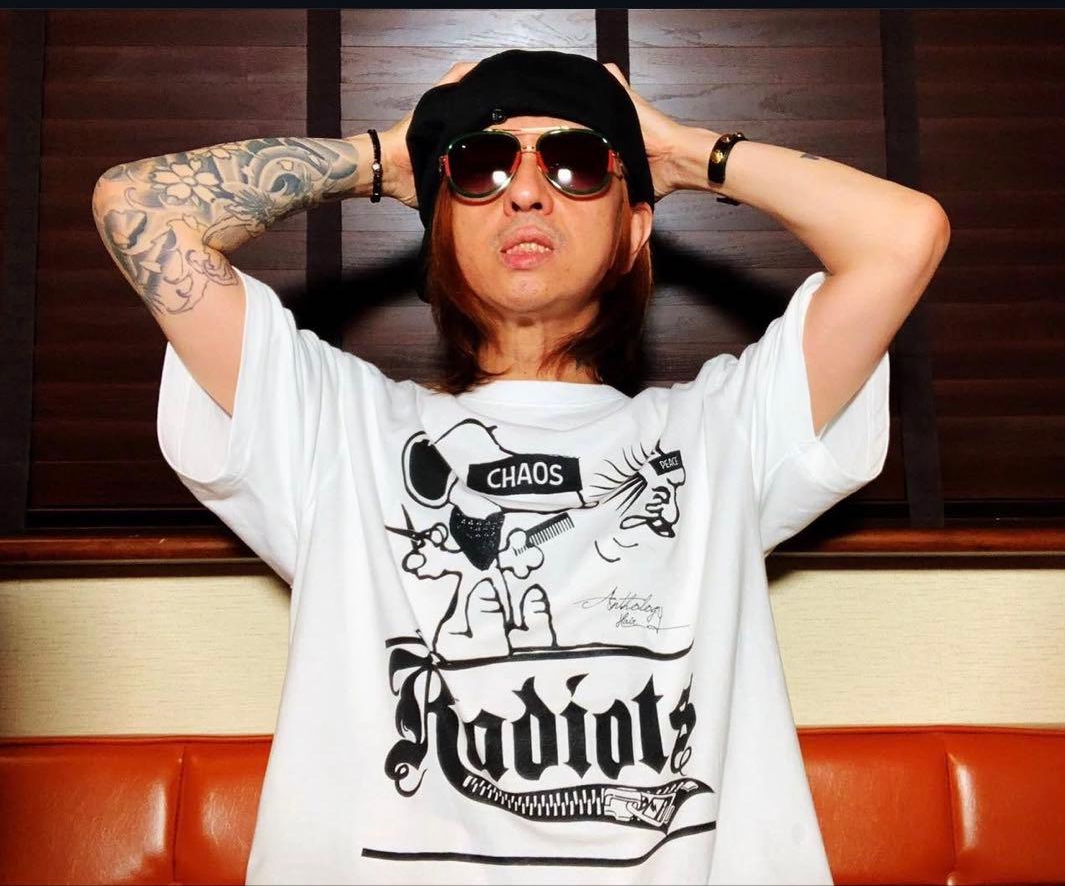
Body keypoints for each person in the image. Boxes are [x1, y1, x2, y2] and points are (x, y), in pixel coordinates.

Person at [91, 49, 949, 884]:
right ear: (441, 223)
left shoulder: (725, 430)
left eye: (577, 164)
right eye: (481, 166)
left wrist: (679, 152)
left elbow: (905, 237)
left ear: (633, 230)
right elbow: (135, 206)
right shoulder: (334, 427)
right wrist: (390, 157)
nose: (528, 190)